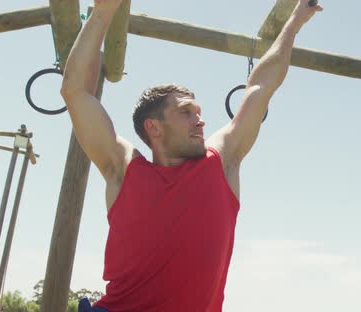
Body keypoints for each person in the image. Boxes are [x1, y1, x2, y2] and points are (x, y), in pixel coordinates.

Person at [61, 0, 323, 311]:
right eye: (186, 112)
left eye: (198, 112)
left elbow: (261, 86)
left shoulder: (220, 163)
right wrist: (104, 10)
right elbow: (76, 92)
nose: (200, 120)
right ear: (153, 127)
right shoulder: (124, 168)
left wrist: (294, 22)